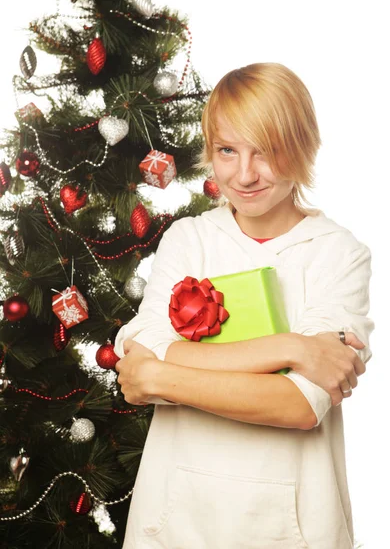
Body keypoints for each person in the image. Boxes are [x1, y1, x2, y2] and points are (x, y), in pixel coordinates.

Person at [114, 63, 374, 549]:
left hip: (292, 530)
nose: (245, 174)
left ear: (303, 147)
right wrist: (291, 347)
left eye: (267, 152)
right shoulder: (189, 239)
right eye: (227, 151)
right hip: (172, 522)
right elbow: (141, 350)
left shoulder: (338, 253)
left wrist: (162, 378)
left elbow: (298, 405)